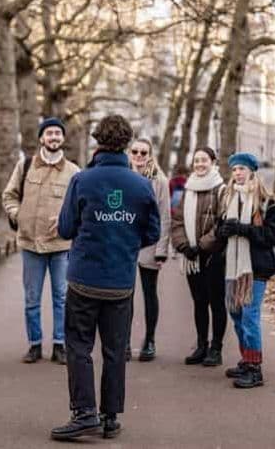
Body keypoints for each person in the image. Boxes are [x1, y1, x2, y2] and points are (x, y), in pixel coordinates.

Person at [51, 115, 160, 441]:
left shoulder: (82, 181)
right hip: (120, 282)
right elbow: (152, 232)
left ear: (97, 141)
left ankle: (83, 412)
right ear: (127, 143)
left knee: (79, 347)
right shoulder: (141, 185)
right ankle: (110, 416)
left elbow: (66, 228)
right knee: (114, 350)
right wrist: (125, 243)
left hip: (84, 277)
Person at [2, 117, 80, 365]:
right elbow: (9, 195)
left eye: (58, 133)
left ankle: (60, 345)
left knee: (62, 297)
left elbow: (80, 206)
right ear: (41, 138)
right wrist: (18, 214)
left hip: (60, 245)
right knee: (32, 298)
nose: (54, 137)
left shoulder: (74, 172)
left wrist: (70, 221)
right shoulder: (25, 166)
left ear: (63, 139)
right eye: (49, 133)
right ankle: (34, 344)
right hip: (30, 244)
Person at [215, 152, 275, 389]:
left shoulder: (267, 202)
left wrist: (243, 230)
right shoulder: (228, 198)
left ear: (252, 171)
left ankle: (255, 369)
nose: (237, 174)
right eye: (234, 170)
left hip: (255, 268)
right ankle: (247, 359)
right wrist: (222, 231)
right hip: (233, 267)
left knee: (249, 316)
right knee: (235, 314)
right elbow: (220, 228)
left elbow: (273, 235)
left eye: (242, 169)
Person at [170, 147, 227, 367]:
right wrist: (184, 245)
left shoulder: (221, 190)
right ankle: (202, 345)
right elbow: (177, 221)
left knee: (216, 302)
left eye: (204, 160)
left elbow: (222, 223)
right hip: (191, 256)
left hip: (213, 256)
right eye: (196, 161)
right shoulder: (188, 189)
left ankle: (216, 348)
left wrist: (202, 245)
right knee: (199, 302)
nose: (200, 164)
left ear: (213, 162)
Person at [128, 137, 171, 362]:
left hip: (149, 243)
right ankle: (123, 341)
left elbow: (165, 215)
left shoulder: (159, 181)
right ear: (129, 153)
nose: (139, 156)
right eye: (135, 151)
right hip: (125, 243)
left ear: (150, 155)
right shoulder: (122, 176)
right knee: (124, 295)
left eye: (144, 153)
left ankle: (150, 340)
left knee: (149, 293)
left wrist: (162, 248)